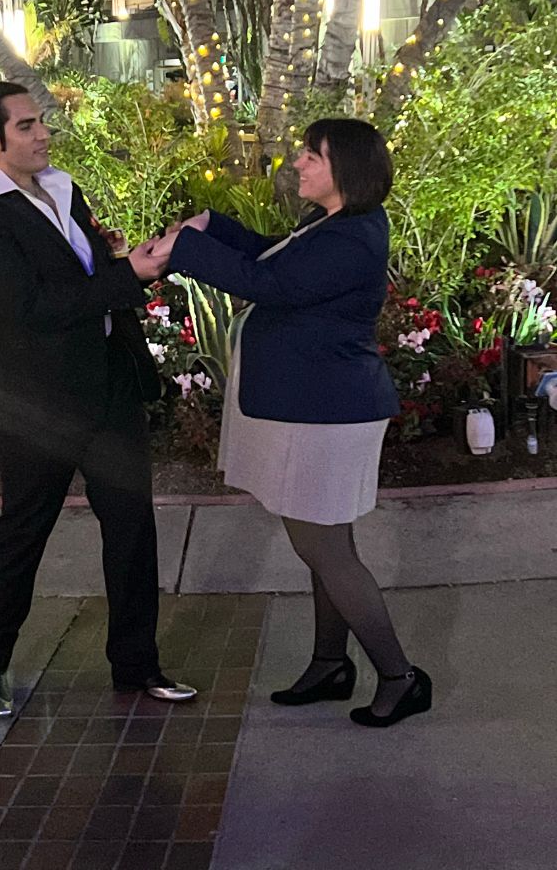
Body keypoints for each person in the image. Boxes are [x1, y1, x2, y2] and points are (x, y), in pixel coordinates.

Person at [151, 118, 431, 727]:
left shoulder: (350, 238)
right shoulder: (331, 224)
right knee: (327, 546)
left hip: (327, 413)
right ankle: (331, 664)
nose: (297, 163)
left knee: (324, 546)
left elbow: (267, 284)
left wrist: (183, 251)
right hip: (316, 408)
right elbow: (272, 257)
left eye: (312, 155)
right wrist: (212, 228)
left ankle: (400, 676)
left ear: (346, 171)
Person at [0, 81, 195, 717]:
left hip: (108, 390)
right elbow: (30, 311)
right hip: (39, 406)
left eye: (42, 123)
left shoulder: (62, 188)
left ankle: (138, 666)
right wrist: (127, 276)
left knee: (133, 530)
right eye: (27, 126)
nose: (43, 134)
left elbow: (81, 277)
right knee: (23, 533)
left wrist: (124, 259)